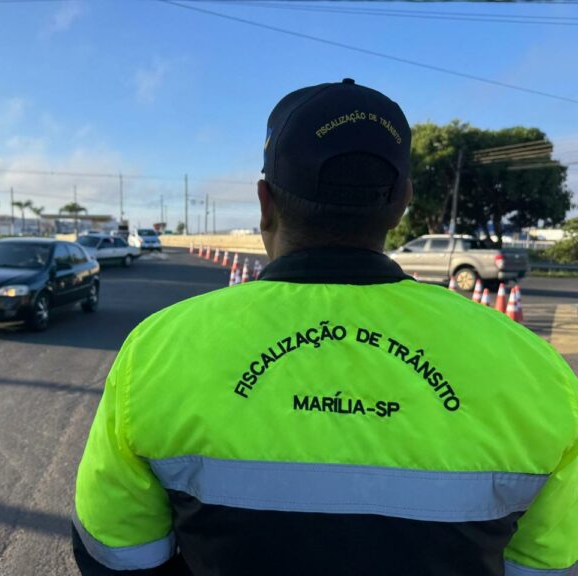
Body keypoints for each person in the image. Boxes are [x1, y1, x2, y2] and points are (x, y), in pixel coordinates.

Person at [71, 79, 577, 576]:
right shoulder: (537, 372)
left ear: (266, 202)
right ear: (401, 202)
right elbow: (549, 564)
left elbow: (116, 555)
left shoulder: (158, 350)